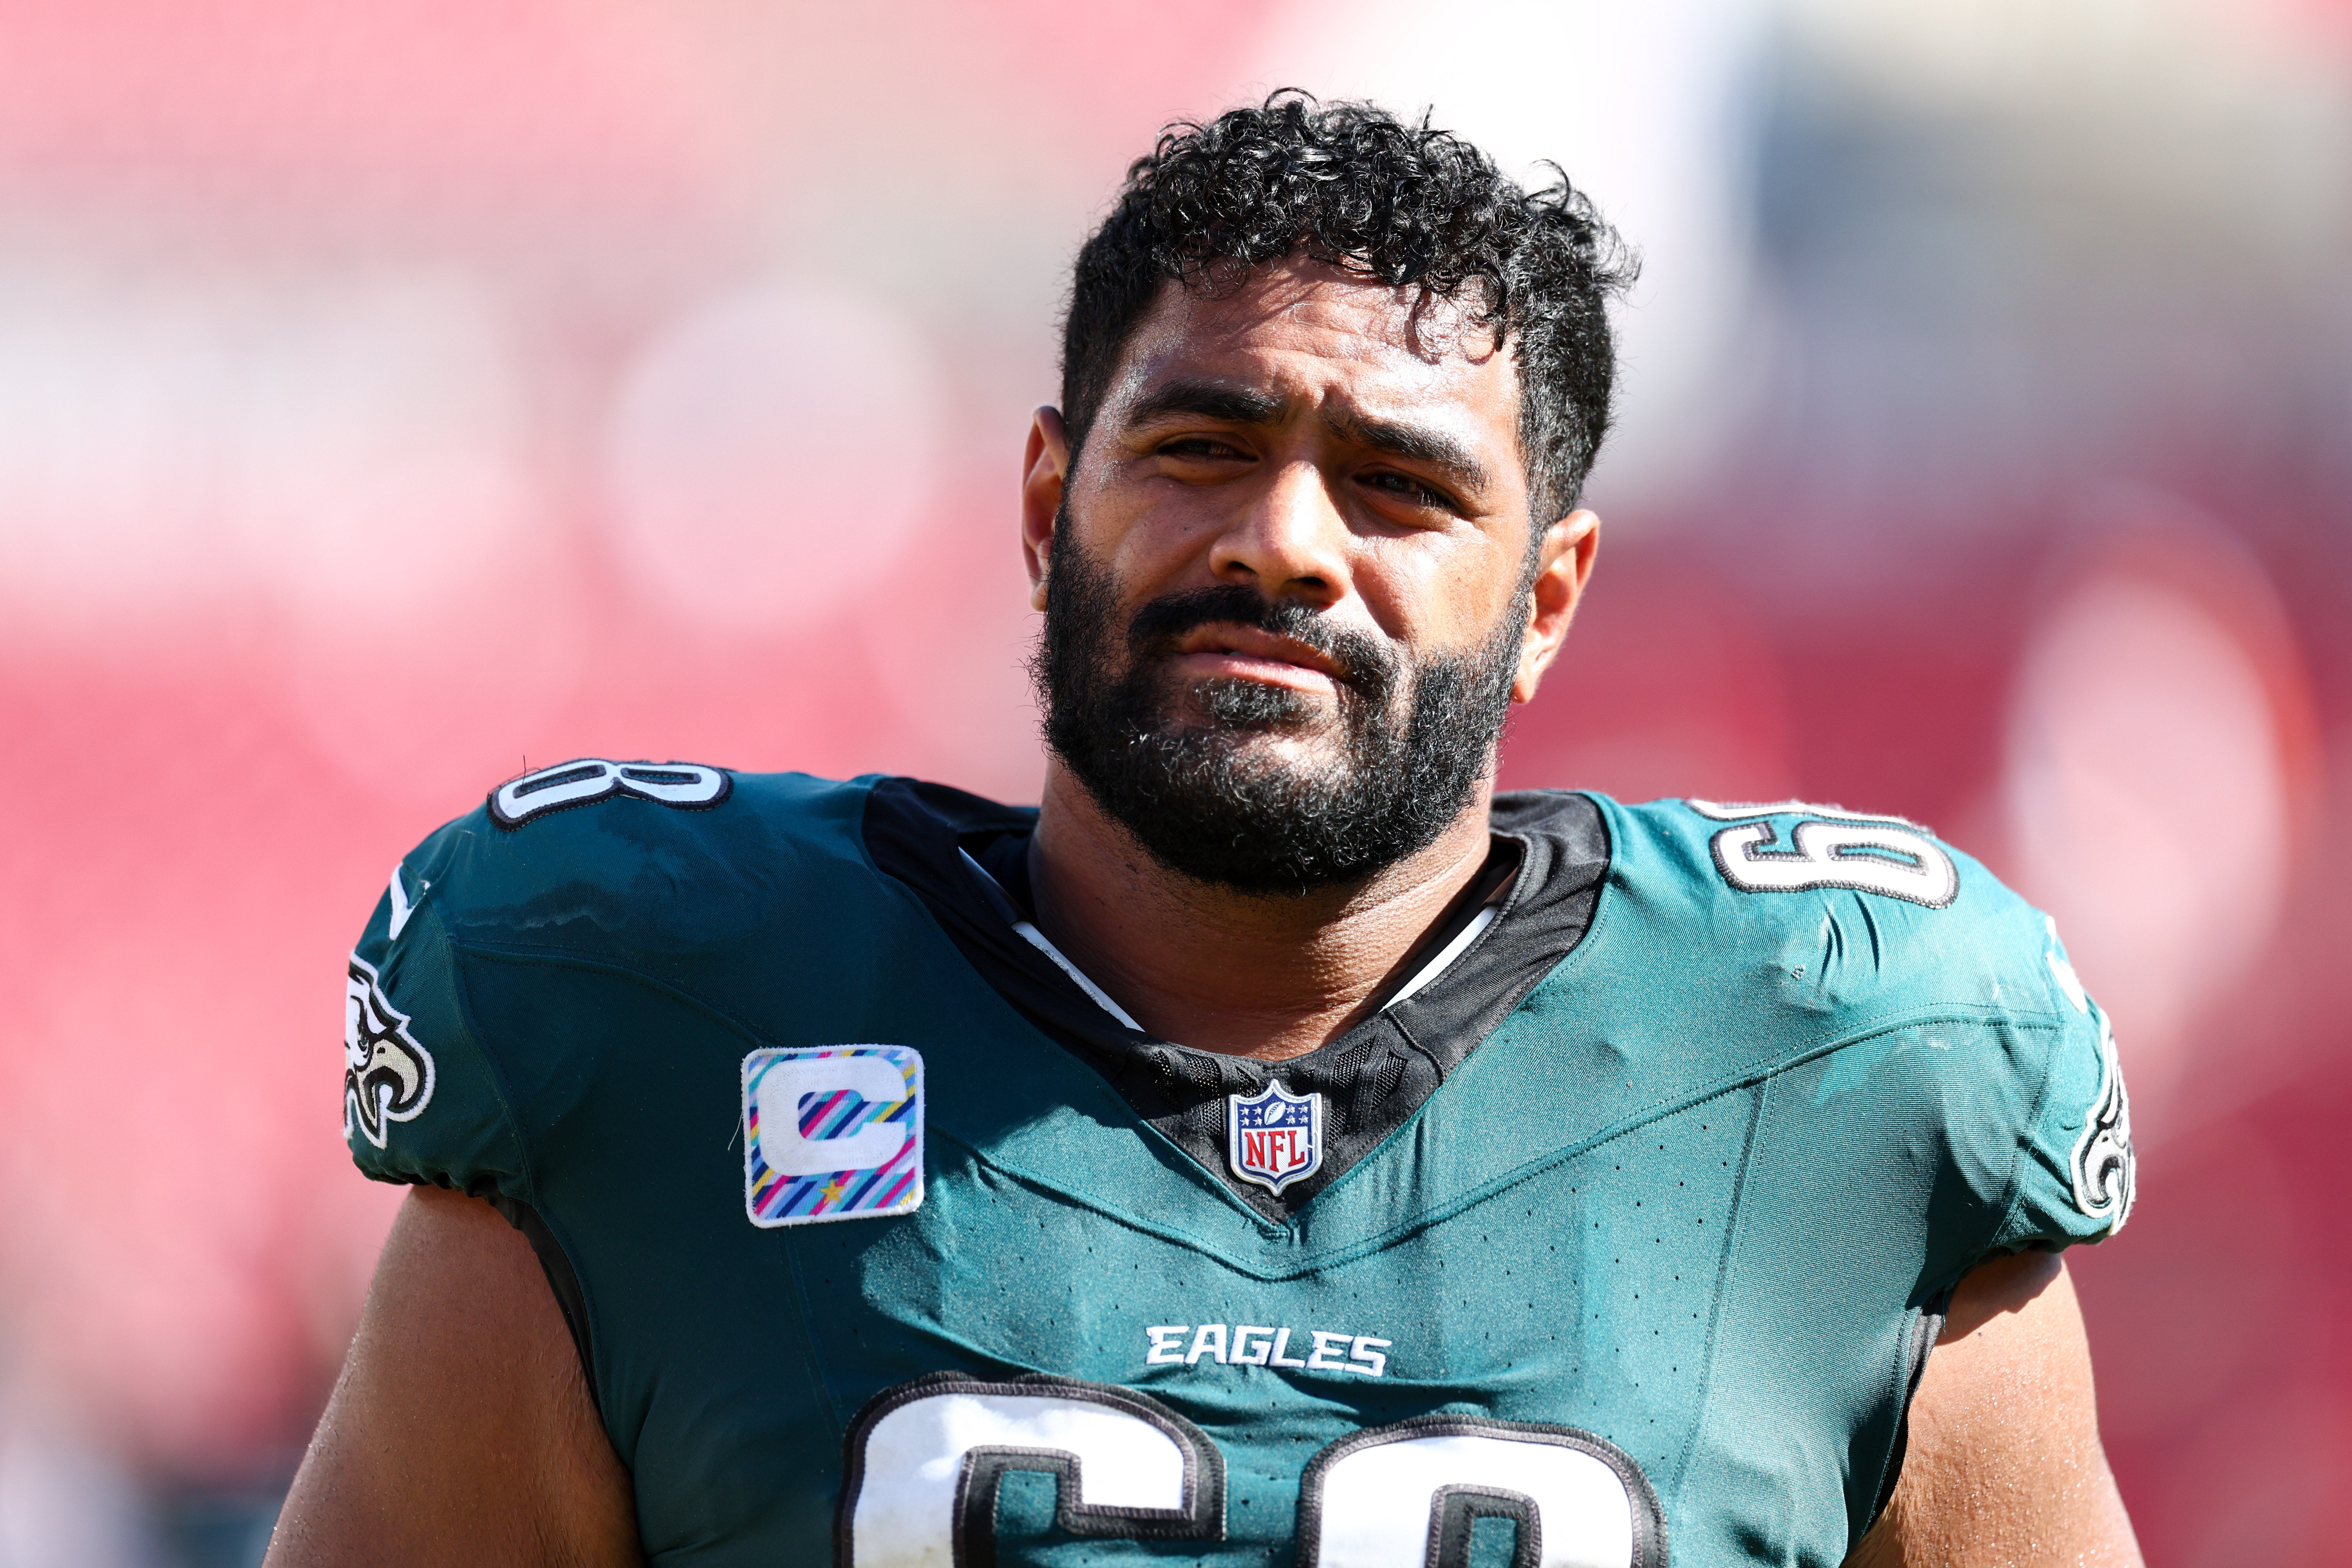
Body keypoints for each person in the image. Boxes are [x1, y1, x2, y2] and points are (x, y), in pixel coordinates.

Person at [266, 94, 2140, 1568]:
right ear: (1045, 500)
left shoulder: (1840, 1070)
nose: (1283, 541)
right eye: (1197, 446)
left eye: (1400, 484)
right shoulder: (656, 1014)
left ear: (1549, 598)